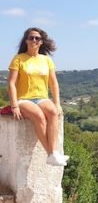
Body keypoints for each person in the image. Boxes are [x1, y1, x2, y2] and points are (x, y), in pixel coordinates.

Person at [7, 27, 69, 166]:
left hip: (42, 97)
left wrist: (57, 103)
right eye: (31, 37)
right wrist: (14, 105)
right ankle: (51, 153)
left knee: (53, 112)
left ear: (41, 42)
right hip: (24, 99)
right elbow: (11, 83)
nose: (34, 40)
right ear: (26, 41)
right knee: (39, 116)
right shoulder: (19, 59)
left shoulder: (46, 60)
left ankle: (53, 154)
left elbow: (54, 84)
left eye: (37, 38)